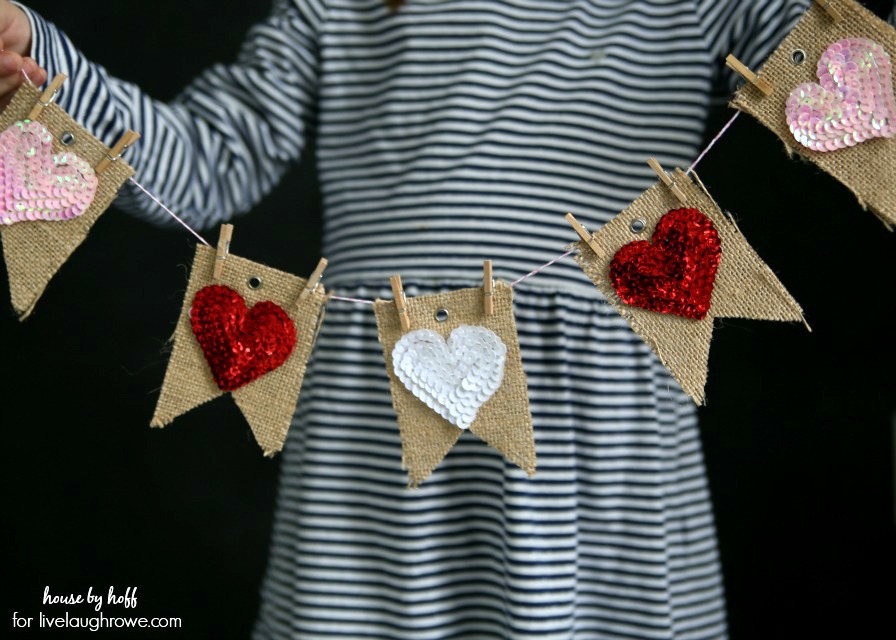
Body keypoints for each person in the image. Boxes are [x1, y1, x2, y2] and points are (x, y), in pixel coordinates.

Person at [0, 1, 817, 638]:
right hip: (379, 419)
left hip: (591, 424)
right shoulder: (340, 8)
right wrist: (38, 53)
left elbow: (844, 74)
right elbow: (207, 157)